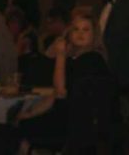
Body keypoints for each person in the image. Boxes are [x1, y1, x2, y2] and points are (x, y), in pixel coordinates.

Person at [17, 10, 112, 152]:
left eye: (86, 30)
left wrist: (60, 55)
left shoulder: (93, 60)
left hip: (76, 126)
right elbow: (55, 95)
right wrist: (30, 113)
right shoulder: (73, 60)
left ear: (94, 35)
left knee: (18, 131)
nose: (80, 33)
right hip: (67, 119)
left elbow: (61, 92)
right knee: (19, 124)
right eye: (76, 29)